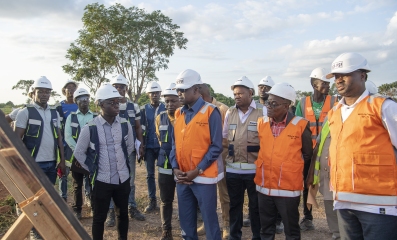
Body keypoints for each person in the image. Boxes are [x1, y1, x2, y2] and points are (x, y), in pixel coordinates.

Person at [325, 52, 397, 239]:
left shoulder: (382, 107)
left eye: (345, 74)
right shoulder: (334, 112)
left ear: (362, 75)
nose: (339, 80)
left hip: (379, 205)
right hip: (344, 202)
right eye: (336, 76)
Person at [74, 84, 134, 240]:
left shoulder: (124, 124)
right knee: (99, 218)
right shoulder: (91, 127)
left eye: (117, 102)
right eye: (111, 102)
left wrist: (120, 164)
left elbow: (129, 147)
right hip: (102, 180)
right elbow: (79, 152)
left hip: (123, 178)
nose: (116, 105)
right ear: (100, 104)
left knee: (123, 215)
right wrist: (93, 169)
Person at [170, 69, 223, 240]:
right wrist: (175, 167)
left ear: (196, 89)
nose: (180, 94)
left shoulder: (211, 112)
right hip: (183, 176)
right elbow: (174, 144)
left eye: (183, 90)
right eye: (178, 90)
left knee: (209, 220)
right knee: (186, 221)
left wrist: (197, 170)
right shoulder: (179, 113)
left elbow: (216, 147)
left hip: (203, 177)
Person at [255, 82, 313, 240]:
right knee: (265, 230)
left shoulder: (300, 125)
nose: (268, 106)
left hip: (288, 189)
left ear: (286, 106)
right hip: (264, 187)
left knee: (291, 230)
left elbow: (308, 155)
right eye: (268, 102)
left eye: (274, 103)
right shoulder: (262, 123)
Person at [14, 76, 66, 240]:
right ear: (33, 93)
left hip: (51, 164)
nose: (44, 94)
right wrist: (22, 165)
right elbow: (17, 140)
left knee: (45, 199)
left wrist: (62, 160)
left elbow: (59, 138)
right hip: (33, 164)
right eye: (41, 91)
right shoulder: (26, 112)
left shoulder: (54, 113)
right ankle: (32, 231)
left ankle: (40, 228)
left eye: (47, 92)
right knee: (30, 199)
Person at [295, 67, 337, 231]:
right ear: (314, 84)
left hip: (327, 153)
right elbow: (297, 127)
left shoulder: (335, 101)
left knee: (331, 187)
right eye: (324, 83)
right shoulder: (303, 103)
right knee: (307, 184)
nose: (328, 86)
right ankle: (307, 217)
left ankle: (336, 223)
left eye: (328, 83)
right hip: (307, 153)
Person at [223, 76, 262, 240]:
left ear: (251, 93)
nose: (237, 96)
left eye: (240, 93)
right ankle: (234, 235)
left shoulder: (262, 112)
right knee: (235, 206)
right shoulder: (230, 113)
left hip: (254, 170)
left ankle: (257, 236)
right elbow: (224, 137)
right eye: (235, 94)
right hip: (233, 170)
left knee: (256, 206)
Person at [104, 74, 145, 226]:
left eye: (122, 87)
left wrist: (140, 144)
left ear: (126, 89)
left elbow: (138, 126)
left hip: (129, 150)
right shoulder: (107, 105)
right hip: (112, 150)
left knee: (130, 181)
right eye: (116, 86)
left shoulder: (133, 106)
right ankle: (111, 212)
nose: (119, 89)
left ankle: (131, 207)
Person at [198, 83, 230, 239]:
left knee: (224, 194)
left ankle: (226, 225)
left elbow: (227, 138)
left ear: (202, 94)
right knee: (206, 194)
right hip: (204, 159)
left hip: (221, 157)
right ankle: (207, 223)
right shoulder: (198, 109)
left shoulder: (222, 109)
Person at [306, 117, 340, 240]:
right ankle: (336, 234)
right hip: (327, 175)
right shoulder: (331, 117)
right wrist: (311, 174)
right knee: (330, 206)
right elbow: (318, 146)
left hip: (346, 176)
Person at [64, 88, 96, 220]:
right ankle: (77, 209)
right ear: (76, 101)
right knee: (77, 185)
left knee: (92, 183)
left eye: (86, 98)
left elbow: (97, 136)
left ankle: (94, 207)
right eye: (81, 99)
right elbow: (68, 136)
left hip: (90, 157)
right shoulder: (71, 117)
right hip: (76, 157)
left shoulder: (95, 116)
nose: (84, 101)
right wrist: (79, 151)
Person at [155, 83, 181, 240]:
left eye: (173, 101)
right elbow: (160, 139)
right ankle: (167, 230)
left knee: (185, 201)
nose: (170, 104)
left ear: (180, 101)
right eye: (167, 101)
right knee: (165, 200)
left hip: (183, 166)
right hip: (165, 166)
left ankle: (187, 229)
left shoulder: (185, 117)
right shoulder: (160, 117)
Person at [140, 81, 166, 213]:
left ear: (160, 94)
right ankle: (152, 201)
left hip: (162, 147)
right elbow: (140, 129)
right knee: (150, 175)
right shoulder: (143, 110)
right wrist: (141, 146)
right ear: (148, 94)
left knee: (163, 175)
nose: (154, 95)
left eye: (157, 93)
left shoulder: (166, 108)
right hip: (149, 147)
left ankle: (164, 201)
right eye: (152, 93)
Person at [56, 79, 78, 202]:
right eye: (68, 88)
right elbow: (58, 128)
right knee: (63, 173)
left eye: (73, 88)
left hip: (79, 145)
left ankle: (85, 199)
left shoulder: (79, 105)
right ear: (64, 91)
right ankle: (63, 199)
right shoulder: (59, 107)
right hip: (65, 146)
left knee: (81, 173)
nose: (71, 90)